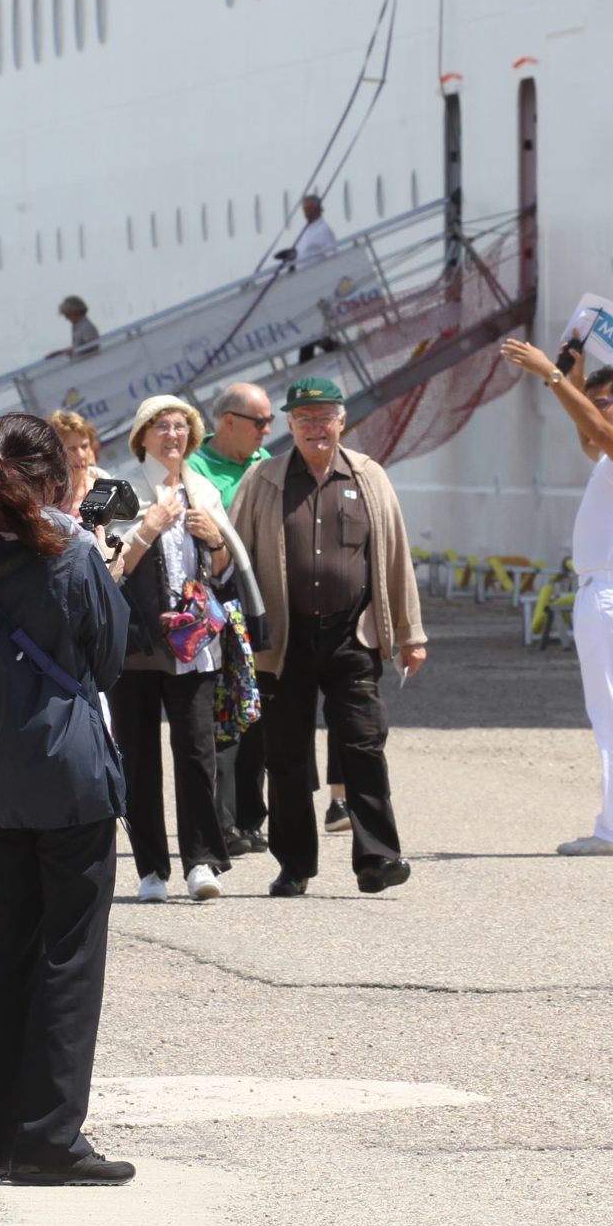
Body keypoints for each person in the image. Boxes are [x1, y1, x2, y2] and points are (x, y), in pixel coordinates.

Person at [0, 413, 134, 1187]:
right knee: (69, 958)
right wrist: (95, 553)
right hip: (70, 772)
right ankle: (52, 1136)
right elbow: (108, 659)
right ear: (53, 480)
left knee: (3, 952)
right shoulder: (73, 558)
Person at [228, 377, 427, 897]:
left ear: (342, 421)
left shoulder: (369, 477)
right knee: (287, 755)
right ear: (290, 426)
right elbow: (236, 556)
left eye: (324, 417)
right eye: (304, 419)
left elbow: (395, 556)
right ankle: (294, 865)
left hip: (351, 635)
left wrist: (411, 633)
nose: (315, 427)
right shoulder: (265, 479)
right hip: (284, 640)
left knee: (364, 744)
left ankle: (378, 859)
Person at [500, 340, 613, 855]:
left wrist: (552, 374)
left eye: (606, 401)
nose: (597, 410)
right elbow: (589, 440)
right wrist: (571, 378)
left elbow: (597, 433)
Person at [103, 395, 246, 902]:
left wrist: (216, 540)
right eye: (162, 426)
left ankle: (202, 862)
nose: (173, 435)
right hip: (135, 646)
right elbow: (101, 565)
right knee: (138, 757)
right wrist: (147, 527)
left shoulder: (204, 488)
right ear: (141, 435)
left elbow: (229, 570)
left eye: (182, 427)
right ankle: (150, 871)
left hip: (193, 645)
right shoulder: (112, 485)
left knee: (196, 753)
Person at [189, 383, 274, 853]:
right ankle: (220, 823)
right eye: (259, 422)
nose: (267, 430)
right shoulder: (196, 470)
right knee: (222, 713)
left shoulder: (265, 466)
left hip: (259, 602)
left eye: (268, 422)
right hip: (216, 605)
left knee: (255, 710)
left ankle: (250, 816)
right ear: (229, 422)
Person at [281, 196, 342, 362]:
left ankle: (310, 353)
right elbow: (304, 253)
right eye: (304, 209)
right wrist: (291, 257)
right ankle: (321, 345)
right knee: (309, 322)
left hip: (315, 282)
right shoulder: (308, 229)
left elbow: (332, 256)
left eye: (308, 208)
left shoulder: (323, 230)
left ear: (317, 209)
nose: (306, 212)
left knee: (309, 321)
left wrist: (324, 277)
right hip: (303, 283)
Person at [50, 409, 108, 516]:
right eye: (71, 448)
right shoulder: (45, 499)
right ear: (54, 452)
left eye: (84, 446)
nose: (80, 455)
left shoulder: (105, 487)